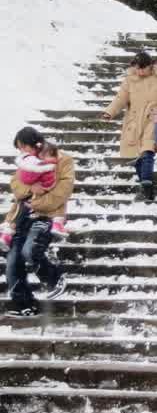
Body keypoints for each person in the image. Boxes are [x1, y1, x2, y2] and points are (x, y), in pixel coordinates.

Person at [4, 127, 74, 315]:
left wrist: (37, 201)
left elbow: (62, 191)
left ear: (35, 144)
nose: (22, 152)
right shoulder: (27, 161)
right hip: (20, 215)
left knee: (30, 250)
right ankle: (24, 305)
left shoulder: (63, 160)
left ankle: (54, 278)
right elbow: (16, 187)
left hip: (47, 214)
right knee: (12, 263)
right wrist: (31, 187)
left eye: (23, 147)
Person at [103, 50, 157, 202]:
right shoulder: (129, 80)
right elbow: (120, 99)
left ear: (150, 66)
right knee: (137, 156)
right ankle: (146, 184)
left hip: (154, 119)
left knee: (147, 152)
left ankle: (146, 189)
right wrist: (110, 112)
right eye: (138, 68)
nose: (140, 71)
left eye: (143, 68)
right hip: (134, 121)